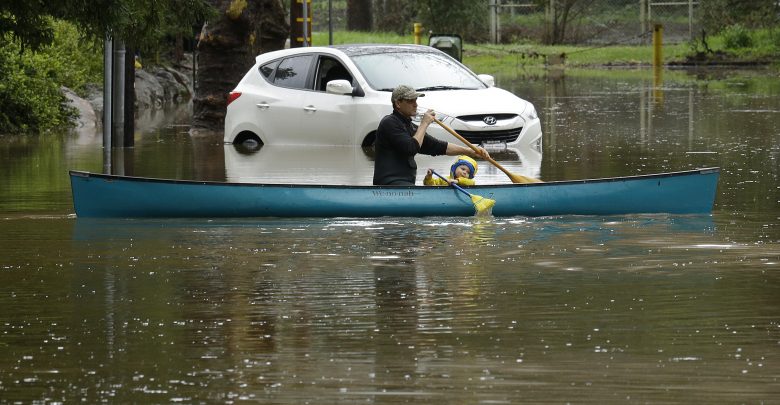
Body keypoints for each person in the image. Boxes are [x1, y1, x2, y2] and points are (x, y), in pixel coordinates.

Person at [372, 85, 490, 186]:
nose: (415, 104)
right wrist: (424, 123)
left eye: (416, 100)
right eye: (410, 101)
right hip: (389, 185)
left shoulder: (410, 127)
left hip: (406, 185)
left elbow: (438, 146)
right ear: (398, 103)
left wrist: (469, 151)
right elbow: (411, 148)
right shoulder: (390, 122)